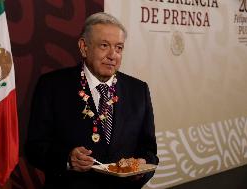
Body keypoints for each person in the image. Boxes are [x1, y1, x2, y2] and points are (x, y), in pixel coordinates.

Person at [25, 12, 159, 189]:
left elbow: (149, 151)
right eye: (104, 45)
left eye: (119, 48)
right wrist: (67, 159)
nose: (113, 55)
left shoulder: (138, 90)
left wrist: (141, 168)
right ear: (83, 47)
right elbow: (34, 148)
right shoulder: (52, 86)